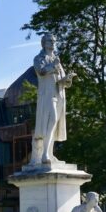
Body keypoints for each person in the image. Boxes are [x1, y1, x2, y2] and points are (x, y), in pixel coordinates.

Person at [32, 33, 73, 164]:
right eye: (50, 40)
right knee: (52, 120)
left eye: (54, 40)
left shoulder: (56, 59)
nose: (53, 42)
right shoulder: (39, 58)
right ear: (44, 43)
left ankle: (49, 153)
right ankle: (44, 154)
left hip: (59, 94)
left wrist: (67, 79)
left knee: (54, 125)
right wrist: (54, 66)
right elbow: (41, 71)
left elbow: (61, 79)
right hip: (47, 94)